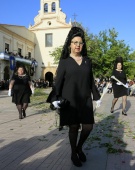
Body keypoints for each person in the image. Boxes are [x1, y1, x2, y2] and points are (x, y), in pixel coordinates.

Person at [46, 26, 101, 167]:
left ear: (83, 45)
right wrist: (54, 99)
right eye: (75, 42)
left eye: (80, 43)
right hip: (69, 100)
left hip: (85, 100)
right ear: (70, 44)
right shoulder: (64, 61)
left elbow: (91, 80)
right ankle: (73, 152)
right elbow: (58, 82)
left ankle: (79, 147)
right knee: (74, 127)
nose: (78, 45)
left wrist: (97, 97)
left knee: (88, 127)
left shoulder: (88, 61)